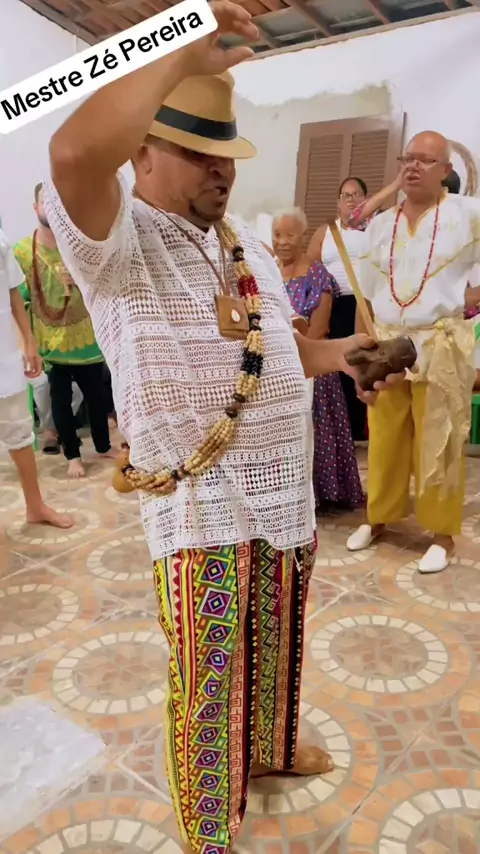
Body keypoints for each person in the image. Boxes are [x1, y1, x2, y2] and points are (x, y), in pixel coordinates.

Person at [43, 4, 406, 851]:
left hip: (284, 496)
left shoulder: (242, 239)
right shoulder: (115, 243)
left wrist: (343, 356)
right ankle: (209, 827)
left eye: (226, 153)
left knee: (278, 642)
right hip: (200, 508)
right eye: (196, 151)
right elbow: (71, 153)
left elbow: (279, 349)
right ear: (141, 152)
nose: (220, 171)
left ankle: (271, 749)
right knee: (209, 680)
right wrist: (176, 48)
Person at [347, 131, 479, 574]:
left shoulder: (467, 214)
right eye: (408, 159)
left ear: (446, 171)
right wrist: (364, 347)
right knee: (384, 434)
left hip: (440, 344)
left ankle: (442, 535)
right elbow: (367, 292)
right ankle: (378, 517)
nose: (414, 166)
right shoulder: (382, 223)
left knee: (438, 440)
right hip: (389, 341)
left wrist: (467, 301)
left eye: (426, 160)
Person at [14, 184, 117, 477]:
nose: (51, 207)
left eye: (56, 202)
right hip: (51, 344)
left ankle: (103, 446)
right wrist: (26, 343)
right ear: (35, 208)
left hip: (87, 339)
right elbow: (18, 300)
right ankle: (73, 456)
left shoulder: (81, 248)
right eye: (45, 202)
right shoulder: (23, 251)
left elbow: (105, 286)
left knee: (97, 397)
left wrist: (82, 279)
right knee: (59, 401)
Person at [273, 207, 364, 512]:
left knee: (316, 432)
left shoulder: (317, 274)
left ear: (303, 237)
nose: (282, 241)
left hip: (312, 366)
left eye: (289, 235)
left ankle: (321, 493)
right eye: (277, 235)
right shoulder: (269, 273)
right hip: (277, 368)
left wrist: (294, 360)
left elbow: (320, 327)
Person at [305, 176, 396, 441]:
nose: (351, 200)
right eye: (346, 195)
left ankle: (361, 427)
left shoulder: (375, 228)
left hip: (365, 304)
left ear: (366, 199)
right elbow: (310, 265)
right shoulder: (327, 231)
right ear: (338, 202)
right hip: (333, 305)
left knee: (364, 360)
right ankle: (337, 429)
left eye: (357, 195)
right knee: (336, 361)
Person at [0, 228, 73, 528]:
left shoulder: (0, 238)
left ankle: (36, 506)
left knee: (20, 434)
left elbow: (13, 291)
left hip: (4, 357)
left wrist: (29, 341)